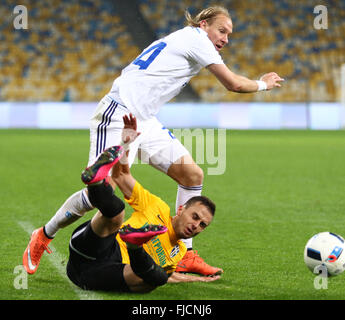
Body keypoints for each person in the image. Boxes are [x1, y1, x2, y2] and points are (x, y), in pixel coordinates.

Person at [22, 6, 284, 276]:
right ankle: (43, 234)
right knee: (100, 192)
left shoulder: (189, 39)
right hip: (118, 112)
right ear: (204, 25)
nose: (226, 39)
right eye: (222, 30)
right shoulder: (197, 39)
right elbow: (234, 84)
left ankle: (186, 254)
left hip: (144, 120)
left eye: (229, 35)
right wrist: (262, 84)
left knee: (192, 174)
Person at [66, 114, 221, 292]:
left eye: (202, 225)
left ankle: (134, 246)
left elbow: (169, 277)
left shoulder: (177, 253)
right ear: (180, 209)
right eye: (195, 217)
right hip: (96, 246)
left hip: (98, 275)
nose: (196, 226)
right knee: (117, 213)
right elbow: (122, 176)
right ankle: (96, 183)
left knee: (156, 279)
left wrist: (198, 281)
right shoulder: (157, 207)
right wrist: (126, 144)